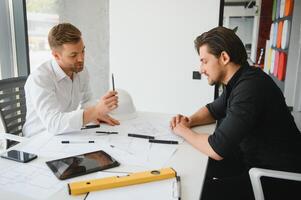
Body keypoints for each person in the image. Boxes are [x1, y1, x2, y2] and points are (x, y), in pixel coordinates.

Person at [170, 26, 301, 200]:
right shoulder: (239, 80)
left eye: (204, 61)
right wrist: (189, 121)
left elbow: (217, 148)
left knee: (199, 192)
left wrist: (182, 131)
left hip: (276, 178)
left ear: (224, 57)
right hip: (251, 159)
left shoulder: (250, 88)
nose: (201, 69)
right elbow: (212, 110)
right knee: (196, 170)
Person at [23, 23, 119, 137]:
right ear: (56, 55)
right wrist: (95, 111)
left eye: (82, 51)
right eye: (73, 55)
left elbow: (87, 101)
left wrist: (100, 109)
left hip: (65, 135)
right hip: (38, 139)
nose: (81, 59)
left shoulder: (80, 71)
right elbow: (53, 124)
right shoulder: (40, 79)